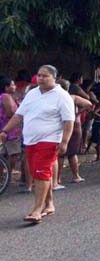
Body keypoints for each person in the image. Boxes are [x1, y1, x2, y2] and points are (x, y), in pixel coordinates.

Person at [0, 65, 75, 224]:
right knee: (37, 172)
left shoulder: (62, 96)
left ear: (54, 78)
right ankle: (49, 204)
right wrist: (5, 131)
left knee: (41, 172)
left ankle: (37, 210)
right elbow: (19, 115)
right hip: (30, 140)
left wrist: (65, 142)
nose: (40, 78)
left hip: (49, 140)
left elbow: (69, 121)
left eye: (45, 76)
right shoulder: (32, 93)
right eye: (39, 75)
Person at [57, 84, 92, 187]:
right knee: (72, 153)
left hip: (61, 125)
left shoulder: (55, 98)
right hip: (74, 125)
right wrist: (77, 113)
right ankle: (76, 176)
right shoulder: (72, 97)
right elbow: (89, 104)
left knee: (60, 154)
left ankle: (57, 177)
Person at [0, 77, 22, 180]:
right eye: (12, 85)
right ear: (6, 87)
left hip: (4, 127)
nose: (15, 87)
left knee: (3, 153)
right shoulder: (6, 96)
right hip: (10, 129)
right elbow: (10, 113)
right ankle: (10, 171)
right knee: (13, 152)